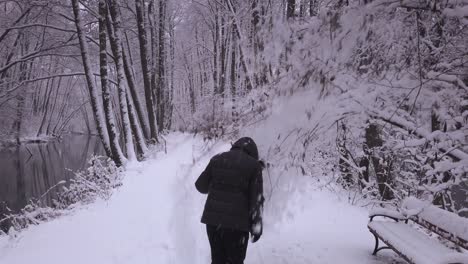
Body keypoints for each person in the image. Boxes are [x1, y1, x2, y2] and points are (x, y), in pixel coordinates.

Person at [195, 137, 265, 264]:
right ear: (253, 153)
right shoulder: (254, 166)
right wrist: (256, 227)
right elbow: (256, 199)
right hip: (237, 227)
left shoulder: (217, 158)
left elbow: (200, 186)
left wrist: (219, 183)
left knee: (217, 260)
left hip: (213, 223)